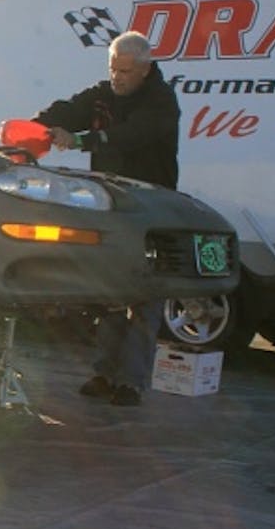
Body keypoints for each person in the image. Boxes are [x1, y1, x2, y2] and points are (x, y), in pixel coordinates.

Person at [32, 30, 180, 406]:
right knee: (109, 295)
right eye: (113, 69)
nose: (118, 77)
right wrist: (36, 127)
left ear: (145, 69)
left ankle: (131, 383)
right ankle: (104, 373)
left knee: (145, 296)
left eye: (126, 71)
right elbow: (67, 109)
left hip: (152, 207)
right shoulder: (102, 94)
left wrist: (82, 141)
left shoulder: (162, 101)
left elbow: (130, 135)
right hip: (110, 203)